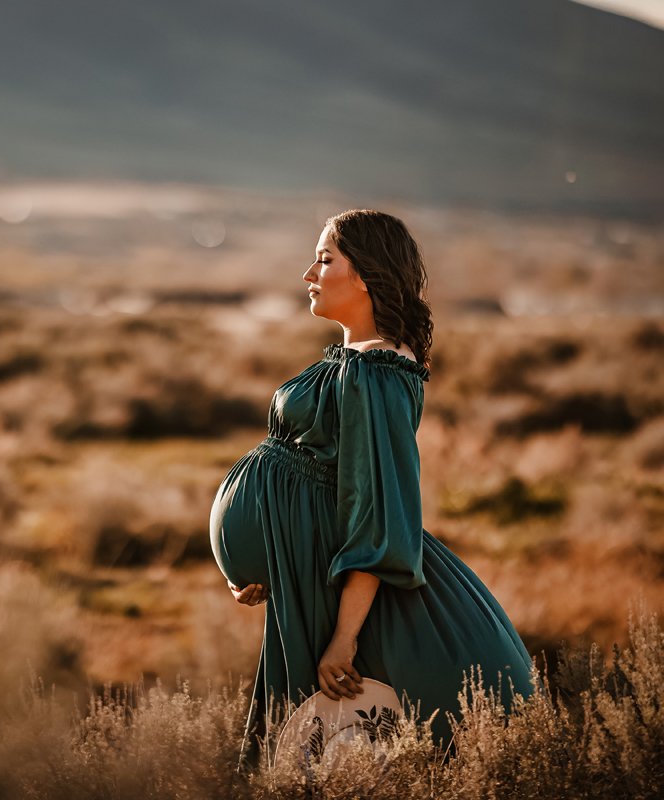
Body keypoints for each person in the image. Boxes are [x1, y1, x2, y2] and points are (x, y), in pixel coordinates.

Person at [209, 209, 533, 768]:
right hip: (308, 576)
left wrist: (345, 638)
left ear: (365, 275)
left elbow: (381, 513)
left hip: (351, 600)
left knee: (342, 756)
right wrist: (272, 562)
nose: (309, 273)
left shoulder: (377, 373)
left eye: (325, 258)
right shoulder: (357, 361)